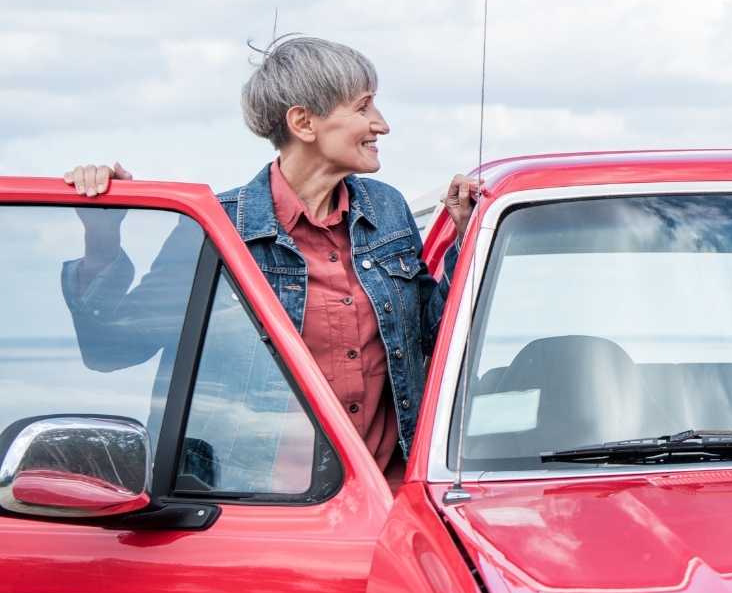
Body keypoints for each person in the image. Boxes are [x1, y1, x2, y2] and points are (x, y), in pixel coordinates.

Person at [63, 35, 479, 485]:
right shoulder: (215, 230)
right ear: (303, 122)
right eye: (363, 108)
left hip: (388, 499)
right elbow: (111, 350)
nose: (381, 124)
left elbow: (431, 339)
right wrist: (102, 235)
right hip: (268, 508)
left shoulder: (387, 209)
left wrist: (466, 237)